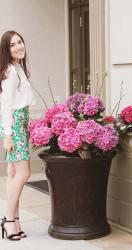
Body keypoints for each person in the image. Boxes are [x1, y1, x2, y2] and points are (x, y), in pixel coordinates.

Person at [0, 31, 35, 240]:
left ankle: (15, 220)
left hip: (19, 123)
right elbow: (6, 105)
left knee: (13, 173)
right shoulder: (10, 71)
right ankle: (8, 220)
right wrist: (9, 134)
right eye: (12, 45)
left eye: (20, 42)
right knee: (24, 173)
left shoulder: (18, 68)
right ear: (6, 49)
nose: (18, 47)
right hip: (15, 125)